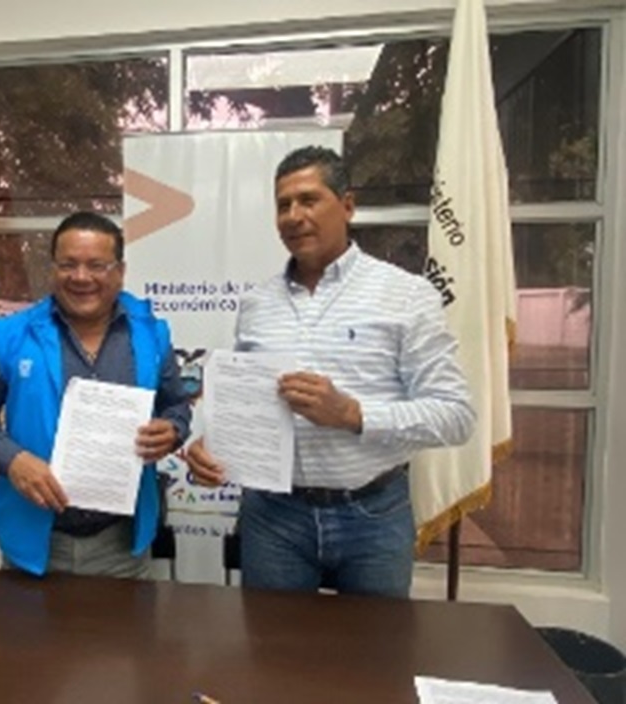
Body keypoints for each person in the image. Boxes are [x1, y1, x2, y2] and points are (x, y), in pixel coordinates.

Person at [186, 146, 475, 598]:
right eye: (283, 205)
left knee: (372, 643)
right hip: (273, 518)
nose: (294, 216)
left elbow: (456, 416)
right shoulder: (257, 304)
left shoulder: (407, 295)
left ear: (348, 205)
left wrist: (353, 414)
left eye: (309, 200)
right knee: (272, 641)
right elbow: (250, 403)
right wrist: (216, 444)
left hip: (373, 516)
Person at [0, 211, 191, 578]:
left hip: (121, 547)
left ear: (120, 271)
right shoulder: (12, 334)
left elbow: (176, 404)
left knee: (124, 621)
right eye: (68, 265)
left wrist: (173, 430)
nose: (81, 277)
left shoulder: (151, 333)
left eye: (97, 265)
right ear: (53, 269)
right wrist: (12, 460)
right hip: (33, 543)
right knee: (26, 620)